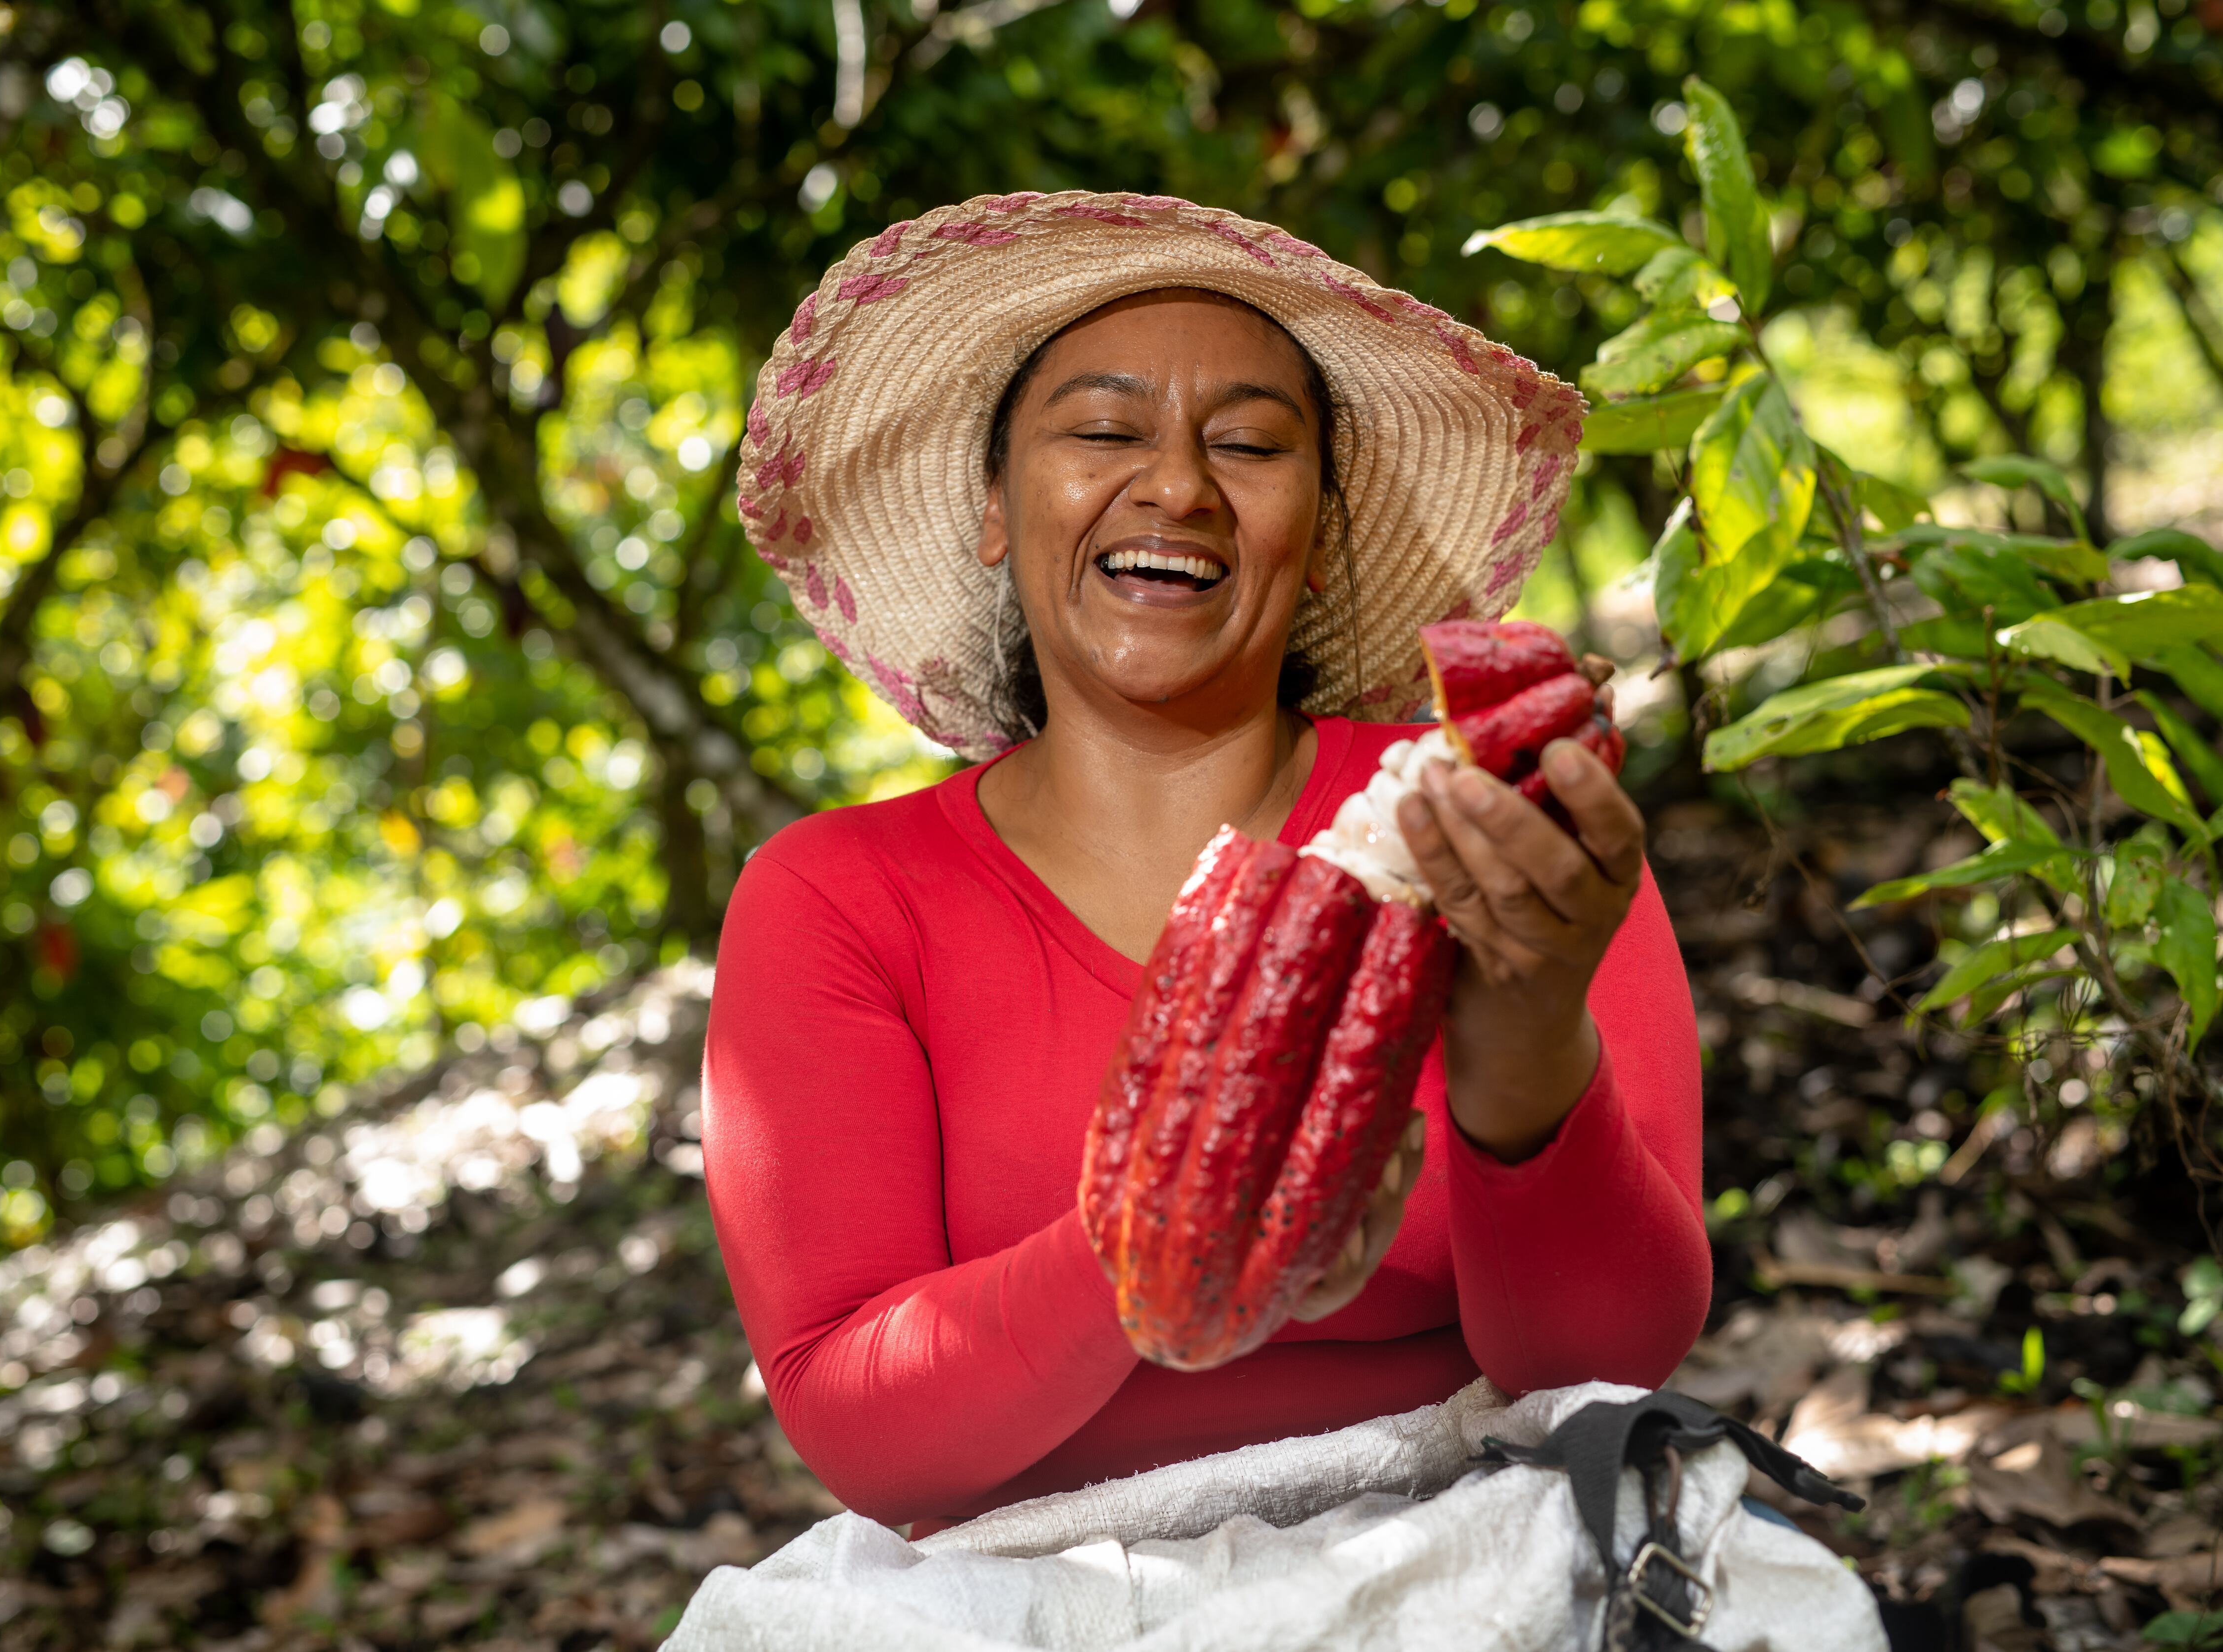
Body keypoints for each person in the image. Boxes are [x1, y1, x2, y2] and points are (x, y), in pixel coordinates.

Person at [702, 191, 1710, 1534]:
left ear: (1320, 527)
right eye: (1105, 431)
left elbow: (1605, 1360)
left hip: (1466, 1546)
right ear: (995, 507)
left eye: (1248, 443)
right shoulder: (840, 896)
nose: (1177, 485)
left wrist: (1522, 1028)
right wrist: (1170, 1233)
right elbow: (861, 1424)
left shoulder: (1503, 835)